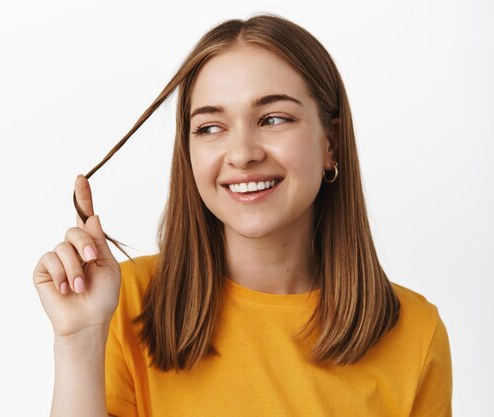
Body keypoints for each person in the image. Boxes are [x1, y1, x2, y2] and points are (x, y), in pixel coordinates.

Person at [33, 13, 452, 417]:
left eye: (273, 119)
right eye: (211, 127)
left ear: (331, 143)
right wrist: (80, 341)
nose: (242, 154)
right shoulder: (124, 303)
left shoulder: (416, 332)